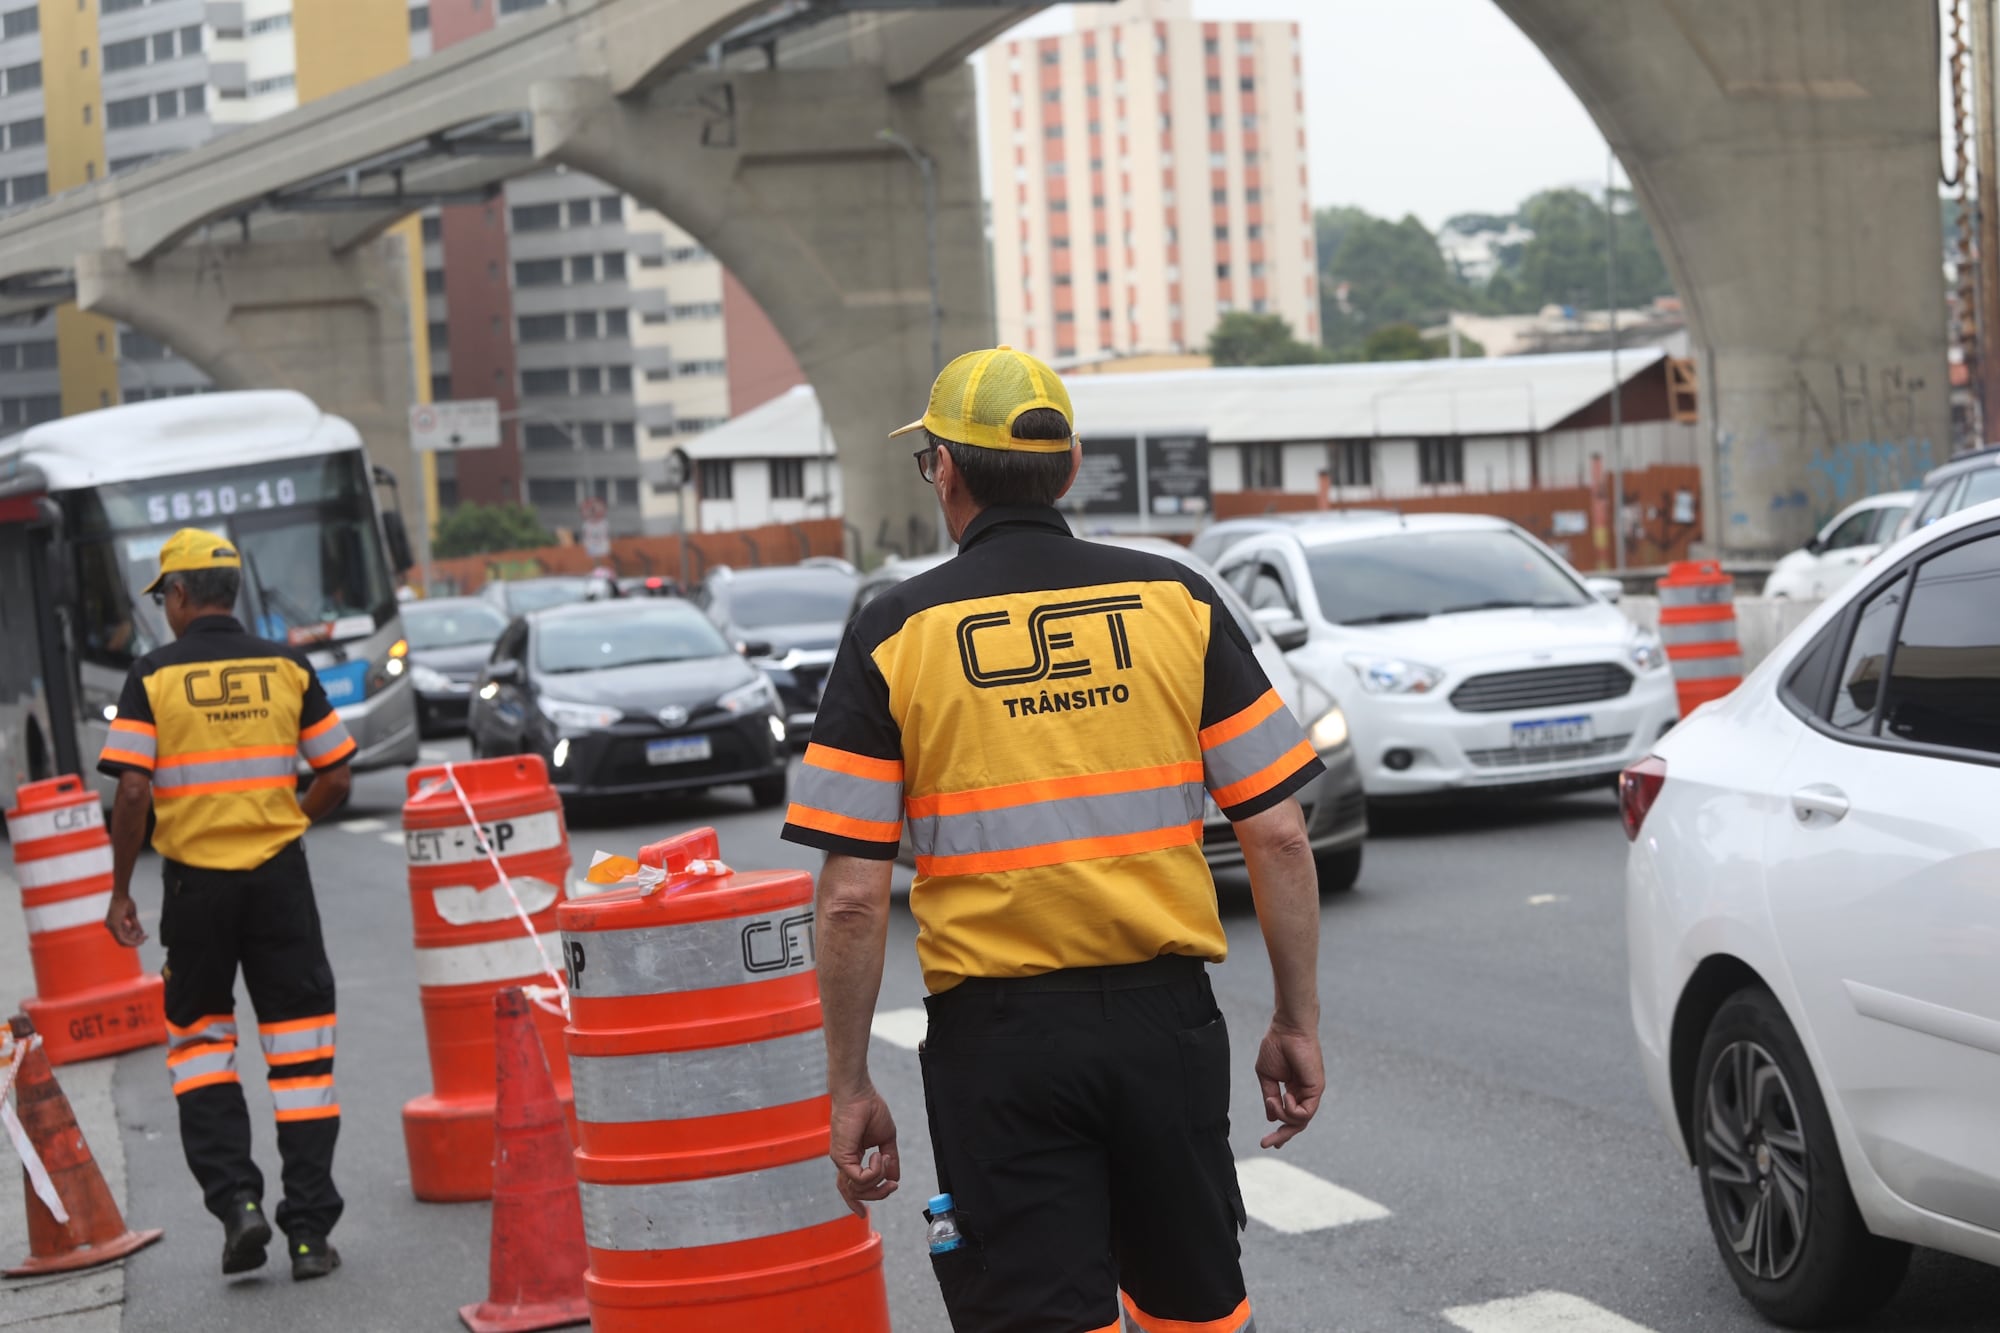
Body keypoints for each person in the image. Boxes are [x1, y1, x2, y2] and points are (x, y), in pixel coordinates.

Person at [782, 347, 1326, 1333]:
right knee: (1194, 1308)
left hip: (999, 1043)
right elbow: (1280, 834)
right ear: (1068, 468)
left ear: (943, 469)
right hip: (1168, 1023)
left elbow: (853, 896)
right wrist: (1295, 1019)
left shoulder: (894, 629)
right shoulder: (1176, 601)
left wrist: (850, 1080)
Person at [98, 528, 356, 1282]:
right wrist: (286, 823)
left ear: (178, 596)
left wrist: (120, 889)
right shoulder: (286, 664)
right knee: (302, 1060)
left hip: (195, 891)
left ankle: (239, 1205)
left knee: (202, 1049)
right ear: (233, 592)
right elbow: (337, 772)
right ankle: (309, 1235)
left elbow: (134, 788)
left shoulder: (151, 675)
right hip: (281, 883)